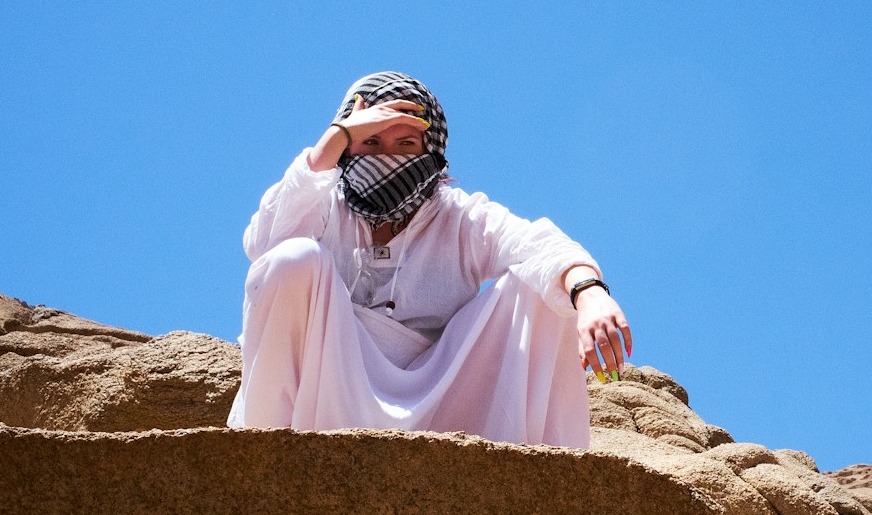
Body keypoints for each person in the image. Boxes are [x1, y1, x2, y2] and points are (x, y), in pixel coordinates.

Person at [227, 71, 630, 450]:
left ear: (430, 151)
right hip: (327, 395)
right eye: (369, 143)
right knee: (292, 259)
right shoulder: (321, 208)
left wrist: (589, 292)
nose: (387, 158)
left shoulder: (459, 217)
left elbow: (538, 245)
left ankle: (550, 480)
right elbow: (263, 245)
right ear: (346, 149)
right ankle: (265, 453)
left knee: (545, 288)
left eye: (405, 145)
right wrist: (338, 135)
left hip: (444, 405)